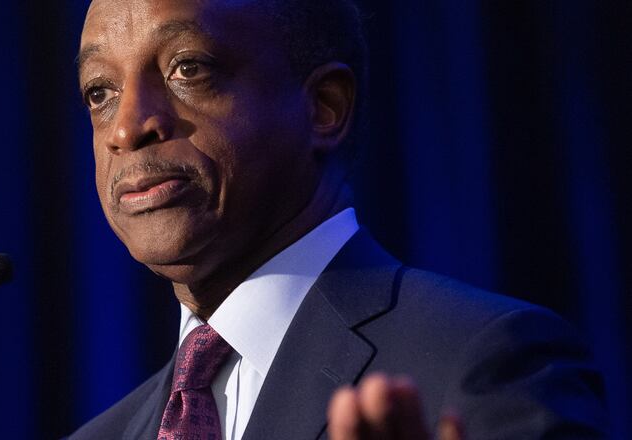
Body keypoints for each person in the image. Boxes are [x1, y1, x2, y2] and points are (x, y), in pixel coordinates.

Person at [69, 0, 607, 438]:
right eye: (100, 92)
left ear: (324, 106)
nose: (127, 127)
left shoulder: (489, 363)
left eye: (188, 68)